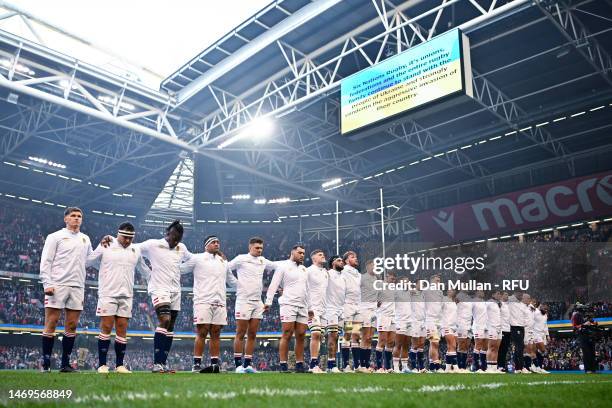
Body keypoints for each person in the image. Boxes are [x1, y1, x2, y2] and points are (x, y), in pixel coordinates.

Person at [87, 222, 148, 374]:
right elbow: (90, 260)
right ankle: (102, 365)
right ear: (118, 234)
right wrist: (103, 269)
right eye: (125, 237)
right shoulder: (107, 244)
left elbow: (144, 269)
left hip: (127, 294)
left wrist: (156, 279)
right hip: (108, 293)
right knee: (106, 327)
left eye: (130, 238)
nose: (127, 240)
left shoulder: (136, 250)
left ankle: (119, 365)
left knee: (122, 329)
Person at [40, 207, 93, 373]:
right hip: (57, 284)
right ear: (66, 219)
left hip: (78, 286)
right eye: (73, 216)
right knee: (52, 323)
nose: (77, 218)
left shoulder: (85, 239)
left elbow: (90, 260)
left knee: (72, 325)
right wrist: (46, 283)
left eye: (79, 216)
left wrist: (105, 248)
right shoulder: (55, 236)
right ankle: (46, 365)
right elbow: (46, 261)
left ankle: (65, 364)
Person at [136, 220, 192, 373]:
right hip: (159, 288)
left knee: (171, 326)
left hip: (176, 290)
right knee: (164, 320)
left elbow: (193, 260)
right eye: (174, 238)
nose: (176, 242)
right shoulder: (152, 244)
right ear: (167, 233)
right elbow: (133, 250)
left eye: (179, 239)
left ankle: (162, 363)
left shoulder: (182, 248)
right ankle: (156, 363)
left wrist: (211, 255)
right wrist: (146, 273)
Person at [179, 235, 237, 373]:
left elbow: (232, 281)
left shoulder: (224, 261)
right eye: (213, 242)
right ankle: (196, 364)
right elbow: (181, 269)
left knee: (216, 333)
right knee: (202, 331)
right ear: (206, 245)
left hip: (220, 301)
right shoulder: (197, 258)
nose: (217, 244)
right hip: (202, 301)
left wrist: (247, 288)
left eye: (218, 242)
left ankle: (215, 364)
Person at [228, 237, 276, 373]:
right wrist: (235, 284)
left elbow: (277, 266)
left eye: (261, 248)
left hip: (257, 301)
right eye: (257, 248)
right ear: (250, 247)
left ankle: (247, 364)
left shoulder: (262, 260)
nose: (259, 250)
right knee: (240, 333)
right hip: (243, 300)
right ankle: (238, 365)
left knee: (253, 334)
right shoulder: (241, 258)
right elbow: (225, 269)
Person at [265, 244, 310, 373]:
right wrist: (268, 302)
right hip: (288, 304)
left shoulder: (304, 269)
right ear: (292, 252)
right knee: (287, 333)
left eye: (303, 253)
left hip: (303, 305)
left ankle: (299, 364)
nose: (302, 255)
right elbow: (274, 285)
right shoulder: (283, 266)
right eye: (300, 253)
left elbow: (307, 290)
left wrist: (310, 307)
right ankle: (283, 365)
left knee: (301, 335)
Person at [306, 249, 328, 374]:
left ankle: (316, 364)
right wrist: (308, 307)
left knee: (320, 336)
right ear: (314, 258)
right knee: (315, 334)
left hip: (324, 310)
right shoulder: (308, 271)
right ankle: (313, 364)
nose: (323, 255)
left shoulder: (325, 272)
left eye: (323, 254)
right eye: (320, 255)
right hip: (312, 308)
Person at [341, 251, 361, 372]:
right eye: (353, 257)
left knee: (356, 335)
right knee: (347, 334)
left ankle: (357, 365)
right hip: (347, 306)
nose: (356, 259)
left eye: (356, 256)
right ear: (347, 260)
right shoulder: (343, 271)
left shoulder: (358, 274)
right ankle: (346, 365)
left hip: (358, 307)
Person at [324, 255, 345, 373]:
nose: (341, 262)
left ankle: (332, 364)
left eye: (342, 261)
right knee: (333, 336)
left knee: (337, 337)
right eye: (339, 260)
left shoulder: (343, 276)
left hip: (342, 310)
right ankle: (331, 365)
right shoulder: (328, 274)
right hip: (331, 309)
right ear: (332, 263)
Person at [358, 260, 378, 373]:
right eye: (372, 265)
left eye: (376, 266)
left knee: (370, 338)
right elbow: (356, 291)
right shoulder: (362, 277)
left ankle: (367, 364)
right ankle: (362, 364)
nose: (374, 267)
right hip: (364, 309)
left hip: (374, 311)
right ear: (367, 266)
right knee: (365, 337)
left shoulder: (377, 279)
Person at [375, 273, 396, 373]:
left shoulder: (395, 288)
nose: (392, 278)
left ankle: (388, 367)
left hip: (394, 317)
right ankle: (379, 367)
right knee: (382, 340)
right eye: (390, 276)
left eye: (393, 276)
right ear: (386, 277)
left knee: (391, 342)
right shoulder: (379, 286)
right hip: (383, 316)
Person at [571, 303, 598, 373]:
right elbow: (574, 327)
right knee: (586, 353)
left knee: (592, 353)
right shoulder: (576, 315)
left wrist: (594, 323)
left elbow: (594, 323)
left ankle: (593, 369)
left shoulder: (587, 315)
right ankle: (588, 369)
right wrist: (583, 325)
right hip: (582, 335)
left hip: (590, 334)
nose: (585, 309)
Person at [424, 274, 443, 372]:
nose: (438, 282)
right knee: (434, 343)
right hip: (430, 320)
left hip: (439, 321)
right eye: (436, 280)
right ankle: (436, 366)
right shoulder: (426, 291)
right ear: (431, 281)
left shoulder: (440, 292)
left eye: (439, 281)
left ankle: (432, 366)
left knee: (436, 344)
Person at [393, 277, 412, 373]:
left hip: (409, 321)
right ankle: (396, 368)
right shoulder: (396, 291)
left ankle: (405, 367)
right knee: (398, 344)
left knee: (406, 345)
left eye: (408, 281)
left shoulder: (410, 292)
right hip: (400, 321)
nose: (407, 282)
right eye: (405, 281)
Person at [440, 289, 458, 372]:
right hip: (446, 325)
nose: (451, 292)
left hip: (454, 326)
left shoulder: (454, 301)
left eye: (453, 290)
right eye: (450, 290)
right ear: (446, 291)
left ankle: (447, 369)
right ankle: (455, 367)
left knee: (451, 347)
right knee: (452, 345)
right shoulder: (443, 299)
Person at [485, 291, 503, 374]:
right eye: (497, 293)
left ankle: (494, 367)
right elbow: (483, 313)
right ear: (492, 294)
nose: (499, 295)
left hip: (499, 328)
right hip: (492, 327)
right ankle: (489, 367)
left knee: (496, 348)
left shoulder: (499, 304)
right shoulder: (489, 303)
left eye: (500, 294)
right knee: (491, 347)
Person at [507, 291, 526, 373]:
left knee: (520, 347)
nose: (522, 296)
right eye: (521, 294)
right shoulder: (510, 299)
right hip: (514, 326)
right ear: (516, 293)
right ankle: (519, 367)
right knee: (519, 346)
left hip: (521, 327)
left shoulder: (521, 304)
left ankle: (519, 367)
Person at [455, 291, 472, 373]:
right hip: (461, 324)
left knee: (466, 346)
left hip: (469, 325)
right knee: (461, 346)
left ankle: (464, 367)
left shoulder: (469, 297)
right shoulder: (458, 296)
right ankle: (459, 366)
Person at [471, 290, 488, 372]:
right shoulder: (473, 301)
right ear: (476, 292)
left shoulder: (484, 302)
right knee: (478, 345)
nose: (483, 292)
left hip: (486, 327)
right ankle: (475, 365)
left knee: (485, 347)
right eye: (480, 291)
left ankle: (483, 366)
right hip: (478, 326)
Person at [532, 301, 550, 374]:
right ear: (541, 306)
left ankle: (537, 367)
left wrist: (547, 334)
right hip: (536, 333)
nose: (546, 310)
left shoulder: (545, 314)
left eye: (547, 309)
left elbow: (545, 325)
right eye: (545, 308)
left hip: (543, 334)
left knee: (537, 351)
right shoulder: (535, 312)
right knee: (543, 350)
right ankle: (535, 366)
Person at [497, 292, 511, 372]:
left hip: (508, 329)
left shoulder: (508, 305)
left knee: (505, 349)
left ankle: (502, 365)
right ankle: (499, 365)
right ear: (501, 296)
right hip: (502, 329)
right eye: (506, 294)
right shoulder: (499, 304)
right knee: (500, 349)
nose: (507, 296)